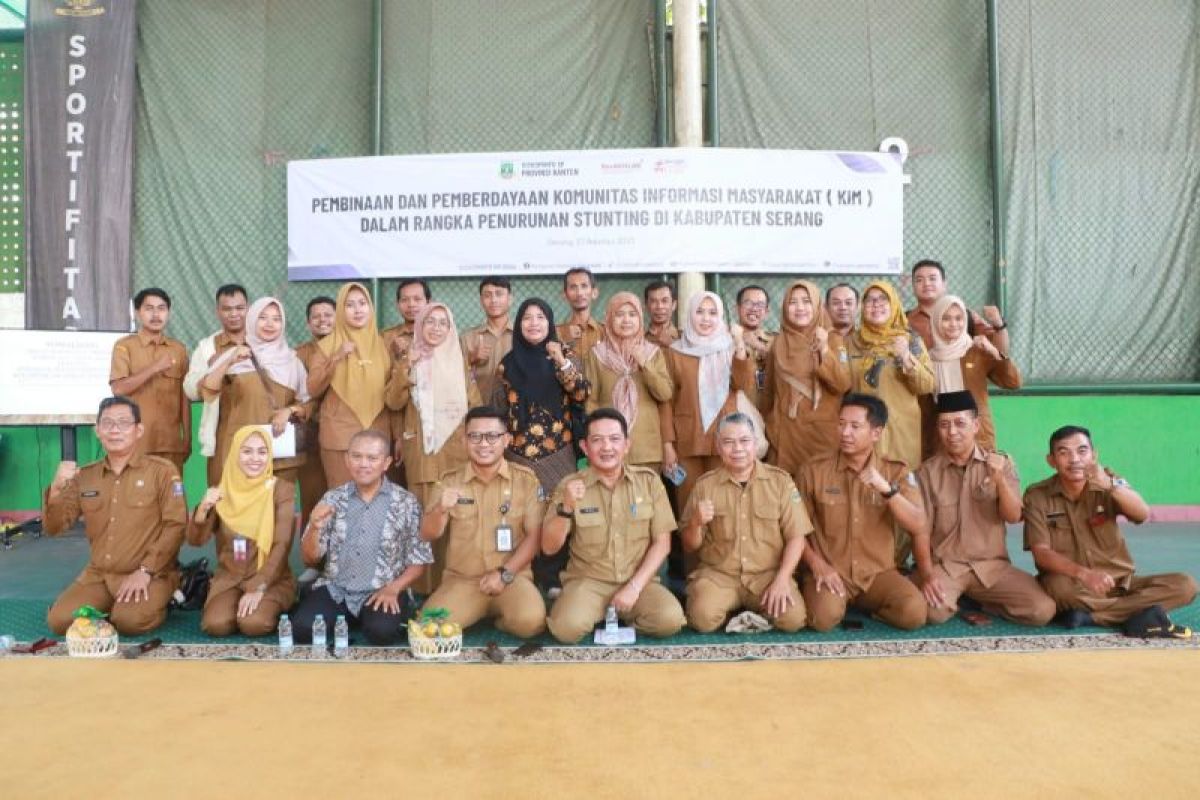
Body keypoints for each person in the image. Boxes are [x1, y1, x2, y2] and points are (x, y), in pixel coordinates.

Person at [1024, 426, 1196, 632]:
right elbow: (1041, 553)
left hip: (1121, 582)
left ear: (1094, 455)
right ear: (1051, 461)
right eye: (1064, 452)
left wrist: (1109, 485)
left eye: (1082, 451)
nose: (1074, 459)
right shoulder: (1037, 495)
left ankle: (1093, 617)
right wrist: (1085, 574)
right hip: (1074, 583)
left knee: (1186, 585)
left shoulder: (1110, 481)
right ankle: (1135, 613)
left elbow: (1141, 513)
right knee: (1058, 589)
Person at [43, 397, 186, 635]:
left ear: (138, 430)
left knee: (129, 622)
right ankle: (111, 607)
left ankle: (166, 596)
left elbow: (176, 526)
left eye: (123, 423)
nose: (115, 430)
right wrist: (56, 490)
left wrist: (145, 571)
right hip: (99, 576)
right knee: (59, 621)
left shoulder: (161, 472)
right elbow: (55, 528)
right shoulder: (85, 476)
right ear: (97, 431)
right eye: (107, 423)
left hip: (150, 574)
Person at [543, 408, 685, 643]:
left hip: (638, 580)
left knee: (669, 620)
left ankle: (619, 613)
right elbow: (548, 547)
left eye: (614, 439)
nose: (606, 447)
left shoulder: (648, 482)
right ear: (585, 447)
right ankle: (589, 607)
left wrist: (634, 587)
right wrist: (566, 507)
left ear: (627, 445)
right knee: (566, 629)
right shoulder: (569, 485)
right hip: (588, 582)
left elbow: (663, 544)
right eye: (597, 440)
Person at [915, 391, 1055, 626]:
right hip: (947, 566)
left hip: (992, 567)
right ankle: (957, 595)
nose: (952, 433)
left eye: (960, 424)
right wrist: (928, 575)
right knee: (932, 613)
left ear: (976, 425)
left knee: (1041, 610)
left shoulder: (1001, 463)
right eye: (944, 425)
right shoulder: (927, 473)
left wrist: (998, 479)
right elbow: (921, 532)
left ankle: (980, 602)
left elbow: (1013, 516)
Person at [797, 394, 928, 631]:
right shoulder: (813, 471)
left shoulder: (895, 471)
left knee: (914, 613)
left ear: (876, 433)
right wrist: (817, 565)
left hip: (877, 574)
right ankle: (839, 603)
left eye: (855, 426)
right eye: (841, 424)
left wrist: (887, 491)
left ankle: (870, 607)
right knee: (823, 619)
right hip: (831, 571)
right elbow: (795, 529)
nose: (845, 432)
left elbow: (917, 523)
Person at [295, 429, 431, 645]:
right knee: (302, 630)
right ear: (347, 460)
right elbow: (309, 559)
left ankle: (371, 616)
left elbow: (419, 561)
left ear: (386, 463)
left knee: (381, 633)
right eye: (357, 457)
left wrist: (393, 588)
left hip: (382, 589)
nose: (363, 464)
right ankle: (344, 613)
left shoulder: (406, 502)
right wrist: (314, 528)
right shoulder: (333, 498)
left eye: (372, 458)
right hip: (336, 588)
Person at [420, 406, 547, 638]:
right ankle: (474, 612)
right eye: (475, 436)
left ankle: (500, 620)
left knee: (531, 622)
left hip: (511, 578)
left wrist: (505, 574)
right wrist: (440, 509)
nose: (483, 444)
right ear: (464, 441)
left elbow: (535, 536)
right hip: (463, 581)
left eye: (492, 436)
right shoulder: (450, 480)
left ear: (506, 440)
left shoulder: (526, 481)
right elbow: (428, 534)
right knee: (429, 629)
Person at [681, 413, 811, 633]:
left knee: (793, 620)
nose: (737, 449)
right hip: (720, 575)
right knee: (702, 619)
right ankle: (743, 610)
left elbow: (797, 537)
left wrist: (782, 579)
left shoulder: (780, 482)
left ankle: (748, 610)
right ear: (718, 447)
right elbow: (689, 545)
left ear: (756, 443)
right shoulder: (705, 485)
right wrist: (695, 523)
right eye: (728, 442)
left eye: (744, 441)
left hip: (767, 576)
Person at [496, 298, 591, 592]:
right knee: (523, 516)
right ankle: (521, 577)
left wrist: (560, 361)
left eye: (540, 317)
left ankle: (553, 579)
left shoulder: (567, 356)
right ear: (519, 324)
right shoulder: (508, 364)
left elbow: (581, 394)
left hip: (558, 454)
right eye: (527, 317)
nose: (534, 323)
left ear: (550, 323)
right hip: (518, 455)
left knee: (557, 512)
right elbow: (499, 407)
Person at [187, 426, 296, 637]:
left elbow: (282, 544)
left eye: (262, 452)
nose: (255, 459)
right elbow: (195, 540)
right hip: (230, 576)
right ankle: (233, 601)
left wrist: (259, 585)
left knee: (253, 624)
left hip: (270, 577)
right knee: (216, 625)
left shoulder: (281, 490)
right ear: (235, 453)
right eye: (247, 451)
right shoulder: (222, 490)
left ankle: (281, 598)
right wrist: (203, 508)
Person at [197, 297, 310, 487]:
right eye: (263, 317)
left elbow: (309, 403)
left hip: (280, 455)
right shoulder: (234, 355)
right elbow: (206, 391)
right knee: (241, 511)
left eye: (276, 318)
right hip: (242, 452)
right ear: (251, 320)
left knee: (279, 511)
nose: (270, 324)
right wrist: (229, 361)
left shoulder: (293, 361)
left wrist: (289, 411)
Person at [662, 290, 756, 514]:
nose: (706, 318)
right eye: (700, 312)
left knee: (725, 503)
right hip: (688, 438)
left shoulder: (731, 347)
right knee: (689, 505)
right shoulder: (675, 352)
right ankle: (691, 550)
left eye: (713, 312)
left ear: (720, 316)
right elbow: (666, 401)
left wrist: (739, 344)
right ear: (690, 315)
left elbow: (743, 383)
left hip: (725, 438)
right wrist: (667, 444)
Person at [307, 282, 394, 488]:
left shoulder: (385, 344)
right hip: (339, 439)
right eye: (350, 305)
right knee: (342, 498)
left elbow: (394, 392)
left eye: (362, 303)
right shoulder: (326, 346)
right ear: (340, 311)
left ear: (370, 308)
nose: (357, 310)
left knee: (377, 499)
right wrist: (336, 357)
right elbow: (313, 388)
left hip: (377, 433)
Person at [762, 280, 851, 477]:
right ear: (785, 307)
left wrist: (824, 350)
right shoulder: (778, 343)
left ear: (817, 305)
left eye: (806, 301)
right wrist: (770, 426)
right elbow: (768, 394)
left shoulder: (833, 339)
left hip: (820, 435)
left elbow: (843, 384)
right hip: (784, 437)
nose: (800, 308)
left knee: (821, 491)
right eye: (793, 302)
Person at [845, 280, 935, 469]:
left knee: (900, 485)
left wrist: (905, 356)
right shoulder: (850, 342)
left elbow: (926, 386)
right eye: (869, 300)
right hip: (861, 429)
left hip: (900, 429)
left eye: (883, 299)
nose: (876, 304)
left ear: (894, 304)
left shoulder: (910, 340)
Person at [584, 292, 673, 472]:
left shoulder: (652, 353)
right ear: (609, 318)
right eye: (619, 314)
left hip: (646, 449)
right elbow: (590, 400)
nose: (626, 320)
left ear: (640, 319)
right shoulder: (597, 355)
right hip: (608, 448)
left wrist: (643, 363)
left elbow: (664, 393)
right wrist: (597, 438)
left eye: (632, 315)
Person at [924, 294, 1021, 457]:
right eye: (946, 319)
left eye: (959, 318)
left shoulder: (977, 351)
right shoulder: (927, 358)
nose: (953, 324)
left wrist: (994, 352)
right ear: (935, 321)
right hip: (942, 438)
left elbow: (1013, 382)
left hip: (978, 436)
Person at [109, 288, 190, 472]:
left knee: (171, 497)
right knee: (137, 498)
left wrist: (187, 438)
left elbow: (184, 398)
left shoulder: (178, 349)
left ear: (168, 313)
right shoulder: (124, 346)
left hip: (170, 444)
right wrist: (154, 368)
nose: (156, 314)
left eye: (161, 308)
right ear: (137, 313)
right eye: (149, 308)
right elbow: (118, 389)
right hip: (136, 442)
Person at [183, 284, 249, 485]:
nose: (234, 314)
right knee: (221, 491)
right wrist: (214, 370)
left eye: (239, 308)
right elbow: (190, 389)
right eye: (227, 309)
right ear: (218, 312)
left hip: (261, 426)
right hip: (222, 430)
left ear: (249, 309)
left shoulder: (264, 341)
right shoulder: (207, 347)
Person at [381, 278, 431, 483]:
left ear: (429, 302)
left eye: (417, 299)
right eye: (405, 300)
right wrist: (398, 436)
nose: (411, 305)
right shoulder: (386, 339)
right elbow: (387, 392)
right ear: (397, 304)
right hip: (399, 423)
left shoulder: (441, 334)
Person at [295, 296, 336, 526]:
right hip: (312, 435)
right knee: (313, 498)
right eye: (316, 316)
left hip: (344, 435)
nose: (322, 320)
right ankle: (313, 560)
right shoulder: (299, 354)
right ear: (308, 323)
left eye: (328, 315)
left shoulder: (351, 349)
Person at [460, 277, 514, 406]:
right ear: (481, 301)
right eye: (487, 295)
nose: (494, 300)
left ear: (510, 299)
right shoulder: (467, 337)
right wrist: (470, 359)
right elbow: (453, 376)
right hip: (478, 411)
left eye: (499, 294)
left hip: (515, 413)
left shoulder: (523, 335)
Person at [733, 285, 775, 408]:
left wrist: (759, 346)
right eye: (748, 303)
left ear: (767, 311)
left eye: (760, 305)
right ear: (737, 308)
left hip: (770, 414)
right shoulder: (726, 340)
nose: (754, 309)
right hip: (737, 416)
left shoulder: (775, 341)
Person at [556, 267, 604, 360]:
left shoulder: (605, 333)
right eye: (573, 287)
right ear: (564, 294)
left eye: (584, 286)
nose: (579, 293)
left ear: (594, 292)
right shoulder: (557, 334)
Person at [644, 279, 680, 347]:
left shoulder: (685, 339)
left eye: (664, 301)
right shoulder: (640, 340)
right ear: (646, 305)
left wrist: (673, 345)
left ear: (674, 305)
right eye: (653, 301)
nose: (659, 306)